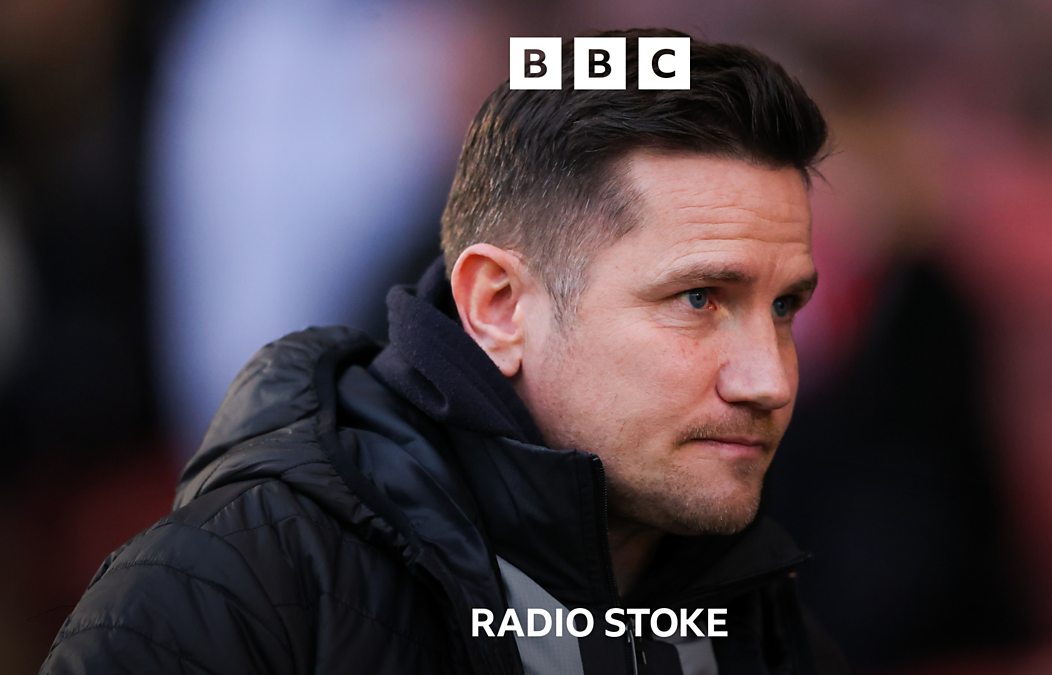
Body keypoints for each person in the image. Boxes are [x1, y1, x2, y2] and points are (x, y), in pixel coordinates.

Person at [42, 28, 845, 674]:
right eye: (699, 298)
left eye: (784, 306)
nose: (769, 378)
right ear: (499, 307)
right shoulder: (226, 599)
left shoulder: (767, 624)